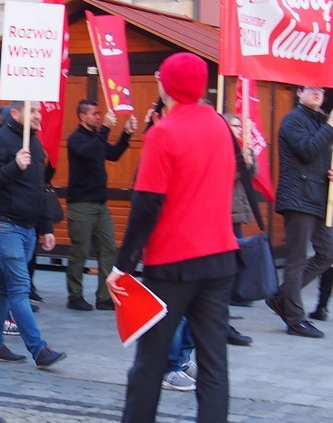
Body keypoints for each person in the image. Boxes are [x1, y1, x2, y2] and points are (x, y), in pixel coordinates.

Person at [106, 53, 239, 423]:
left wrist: (122, 264)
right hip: (220, 257)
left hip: (173, 263)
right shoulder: (221, 126)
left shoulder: (163, 132)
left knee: (150, 360)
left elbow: (146, 205)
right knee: (214, 362)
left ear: (165, 85)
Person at [0, 100, 66, 369]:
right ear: (16, 113)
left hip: (27, 227)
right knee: (19, 288)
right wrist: (15, 166)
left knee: (4, 290)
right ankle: (39, 349)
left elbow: (39, 189)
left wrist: (46, 227)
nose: (39, 116)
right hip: (4, 224)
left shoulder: (35, 142)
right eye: (34, 112)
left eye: (40, 111)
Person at [266, 85, 333, 338]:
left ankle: (283, 296)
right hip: (297, 198)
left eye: (321, 91)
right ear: (299, 92)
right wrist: (330, 126)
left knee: (328, 253)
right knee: (295, 260)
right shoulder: (293, 119)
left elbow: (321, 157)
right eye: (311, 89)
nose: (318, 93)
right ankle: (295, 319)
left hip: (318, 198)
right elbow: (306, 150)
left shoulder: (319, 121)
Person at [66, 99, 137, 311]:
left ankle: (104, 297)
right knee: (80, 251)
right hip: (81, 204)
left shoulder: (95, 138)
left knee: (108, 249)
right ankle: (75, 295)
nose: (99, 117)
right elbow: (88, 151)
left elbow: (113, 155)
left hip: (100, 204)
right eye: (95, 114)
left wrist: (126, 134)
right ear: (82, 116)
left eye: (99, 114)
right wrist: (105, 128)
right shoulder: (76, 139)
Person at [222, 113, 255, 346]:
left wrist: (249, 158)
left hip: (236, 213)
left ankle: (225, 308)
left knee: (236, 264)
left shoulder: (241, 147)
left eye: (239, 126)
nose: (238, 129)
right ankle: (221, 320)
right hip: (223, 215)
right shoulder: (218, 144)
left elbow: (250, 175)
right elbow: (222, 177)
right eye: (234, 125)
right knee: (226, 268)